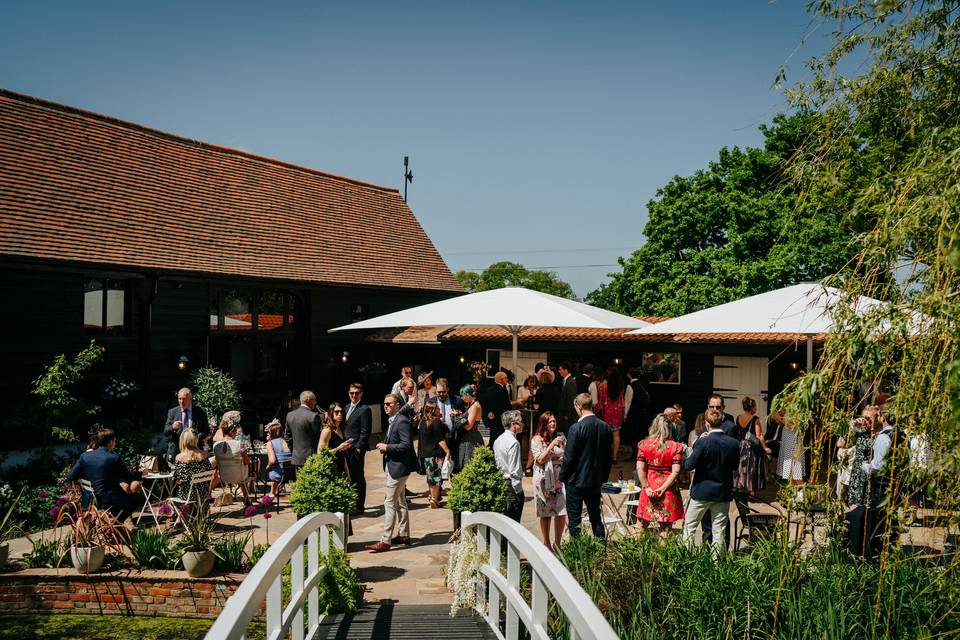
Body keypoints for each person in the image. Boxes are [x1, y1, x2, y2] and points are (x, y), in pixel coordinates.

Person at [681, 408, 740, 555]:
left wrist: (693, 447)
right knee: (718, 530)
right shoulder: (733, 443)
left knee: (690, 526)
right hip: (722, 491)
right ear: (722, 422)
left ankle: (685, 559)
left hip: (702, 491)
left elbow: (688, 465)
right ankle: (716, 564)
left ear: (707, 424)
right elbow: (734, 466)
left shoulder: (703, 442)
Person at [366, 393, 417, 553]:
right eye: (384, 404)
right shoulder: (393, 420)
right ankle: (404, 534)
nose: (386, 406)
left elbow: (407, 445)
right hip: (395, 466)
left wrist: (387, 447)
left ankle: (385, 540)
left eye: (389, 404)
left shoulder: (401, 421)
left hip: (398, 468)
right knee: (400, 501)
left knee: (389, 502)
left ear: (397, 405)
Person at [560, 393, 613, 539]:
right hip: (595, 480)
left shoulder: (576, 428)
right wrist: (603, 477)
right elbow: (608, 457)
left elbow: (569, 458)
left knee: (575, 521)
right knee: (596, 518)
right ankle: (600, 550)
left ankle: (578, 553)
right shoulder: (605, 427)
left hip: (575, 480)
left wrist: (562, 476)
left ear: (578, 406)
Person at [67, 428, 145, 523]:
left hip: (88, 501)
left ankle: (111, 525)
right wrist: (140, 473)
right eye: (115, 441)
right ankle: (115, 524)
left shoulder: (85, 456)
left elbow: (70, 477)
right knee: (138, 498)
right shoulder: (113, 457)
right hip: (108, 501)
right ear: (111, 442)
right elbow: (129, 477)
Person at [636, 414, 685, 535]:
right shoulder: (676, 447)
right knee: (665, 527)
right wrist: (663, 488)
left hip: (649, 487)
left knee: (641, 524)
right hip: (668, 489)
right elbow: (676, 471)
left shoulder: (644, 444)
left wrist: (646, 487)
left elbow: (640, 468)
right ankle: (662, 554)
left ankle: (634, 552)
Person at [531, 412, 566, 550]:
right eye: (550, 421)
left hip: (559, 479)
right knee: (546, 512)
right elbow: (539, 459)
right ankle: (546, 543)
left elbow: (563, 456)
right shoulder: (536, 439)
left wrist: (560, 451)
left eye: (554, 421)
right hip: (544, 480)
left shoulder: (558, 438)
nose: (553, 424)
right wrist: (551, 445)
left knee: (562, 511)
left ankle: (557, 543)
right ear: (544, 424)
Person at [159, 388, 209, 467]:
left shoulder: (200, 411)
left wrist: (193, 439)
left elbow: (206, 431)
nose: (181, 401)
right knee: (175, 477)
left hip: (195, 451)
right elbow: (166, 432)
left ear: (190, 399)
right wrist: (173, 427)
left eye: (184, 399)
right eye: (180, 399)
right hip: (177, 451)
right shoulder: (172, 412)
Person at [344, 383, 372, 515]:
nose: (353, 395)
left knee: (358, 476)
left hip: (356, 449)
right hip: (345, 448)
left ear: (361, 394)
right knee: (349, 476)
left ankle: (359, 505)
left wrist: (359, 448)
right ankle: (351, 502)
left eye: (356, 393)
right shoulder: (346, 407)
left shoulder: (364, 409)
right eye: (351, 393)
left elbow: (365, 431)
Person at [734, 396, 771, 495]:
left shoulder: (738, 417)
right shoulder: (755, 419)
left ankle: (741, 488)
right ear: (752, 407)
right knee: (751, 469)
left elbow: (737, 432)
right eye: (755, 406)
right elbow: (759, 435)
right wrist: (765, 447)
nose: (756, 408)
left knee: (742, 468)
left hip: (740, 446)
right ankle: (751, 491)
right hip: (751, 448)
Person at [494, 409, 525, 522]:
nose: (522, 424)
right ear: (513, 424)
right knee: (513, 523)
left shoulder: (498, 439)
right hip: (511, 485)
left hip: (501, 482)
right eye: (520, 421)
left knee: (504, 522)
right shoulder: (513, 443)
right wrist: (518, 490)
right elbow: (514, 470)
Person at [418, 400, 450, 509]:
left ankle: (431, 496)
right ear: (432, 410)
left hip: (426, 454)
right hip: (436, 454)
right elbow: (440, 439)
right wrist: (447, 451)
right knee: (436, 478)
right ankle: (434, 499)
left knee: (430, 477)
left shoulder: (422, 422)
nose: (439, 410)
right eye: (437, 408)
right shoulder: (436, 422)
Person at [212, 417, 251, 504]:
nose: (237, 433)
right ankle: (246, 498)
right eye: (235, 431)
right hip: (238, 477)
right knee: (244, 469)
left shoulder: (216, 445)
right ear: (231, 431)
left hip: (223, 477)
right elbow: (247, 461)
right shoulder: (239, 444)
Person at [284, 390, 322, 477]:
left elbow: (287, 436)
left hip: (297, 457)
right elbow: (319, 438)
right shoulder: (314, 416)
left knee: (301, 485)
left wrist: (294, 450)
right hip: (312, 457)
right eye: (314, 400)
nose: (315, 402)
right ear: (308, 400)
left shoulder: (290, 415)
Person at [172, 429, 213, 503]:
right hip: (203, 493)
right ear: (196, 440)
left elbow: (178, 480)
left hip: (187, 495)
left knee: (173, 489)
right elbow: (209, 473)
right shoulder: (205, 454)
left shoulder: (179, 457)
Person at [594, 367, 626, 463]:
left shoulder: (602, 386)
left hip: (606, 412)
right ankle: (615, 457)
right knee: (616, 435)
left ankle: (605, 456)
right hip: (617, 412)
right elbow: (622, 400)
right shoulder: (621, 386)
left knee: (605, 436)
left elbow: (600, 402)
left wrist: (595, 411)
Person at [455, 384, 485, 472]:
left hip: (471, 437)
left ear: (468, 395)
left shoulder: (475, 405)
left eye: (462, 395)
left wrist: (458, 418)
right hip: (469, 436)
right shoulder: (472, 405)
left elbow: (468, 426)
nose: (461, 398)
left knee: (469, 463)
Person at [319, 403, 353, 476]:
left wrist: (347, 471)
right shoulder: (327, 431)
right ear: (331, 413)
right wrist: (338, 448)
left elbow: (342, 454)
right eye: (336, 412)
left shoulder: (341, 429)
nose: (340, 414)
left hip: (341, 467)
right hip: (331, 469)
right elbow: (321, 453)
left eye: (341, 412)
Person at [623, 367, 651, 450]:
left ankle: (635, 454)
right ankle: (643, 451)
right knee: (641, 433)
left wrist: (625, 415)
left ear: (629, 375)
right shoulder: (643, 384)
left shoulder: (630, 386)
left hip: (634, 412)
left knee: (634, 433)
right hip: (643, 412)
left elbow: (628, 402)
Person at [264, 419, 292, 502]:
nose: (267, 434)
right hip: (292, 474)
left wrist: (268, 466)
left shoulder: (270, 443)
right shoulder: (286, 441)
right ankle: (272, 493)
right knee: (277, 468)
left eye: (268, 432)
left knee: (270, 469)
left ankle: (271, 494)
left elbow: (272, 460)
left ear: (272, 433)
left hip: (279, 474)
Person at [482, 371, 511, 445]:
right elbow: (507, 406)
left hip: (493, 419)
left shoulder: (489, 389)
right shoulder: (503, 390)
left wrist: (489, 412)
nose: (507, 379)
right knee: (501, 440)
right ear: (501, 379)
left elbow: (485, 403)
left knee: (493, 438)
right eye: (506, 378)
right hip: (501, 420)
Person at [558, 362, 579, 433]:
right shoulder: (566, 380)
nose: (559, 371)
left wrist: (568, 415)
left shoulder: (570, 382)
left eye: (560, 369)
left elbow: (571, 399)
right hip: (564, 414)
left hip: (568, 416)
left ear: (565, 370)